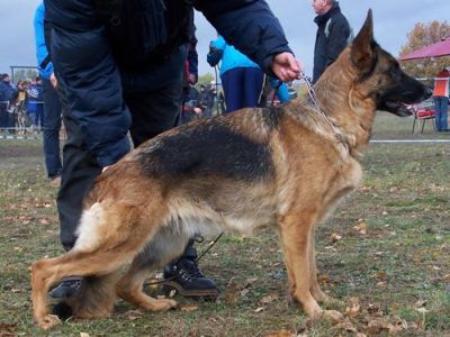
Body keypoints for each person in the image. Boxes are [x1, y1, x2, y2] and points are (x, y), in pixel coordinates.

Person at [44, 0, 301, 300]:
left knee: (173, 161)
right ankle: (80, 265)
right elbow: (86, 73)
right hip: (90, 67)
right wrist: (111, 155)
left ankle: (179, 261)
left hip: (160, 63)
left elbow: (234, 4)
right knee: (86, 151)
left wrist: (271, 47)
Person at [34, 2, 63, 183]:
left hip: (74, 69)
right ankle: (55, 172)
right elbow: (41, 44)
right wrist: (51, 70)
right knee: (52, 123)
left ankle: (82, 170)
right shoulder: (43, 10)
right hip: (51, 73)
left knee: (80, 120)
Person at [311, 0, 351, 83]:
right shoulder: (324, 23)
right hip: (321, 86)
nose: (312, 4)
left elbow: (334, 61)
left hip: (331, 88)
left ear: (324, 1)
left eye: (315, 0)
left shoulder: (338, 22)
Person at [433, 68, 449, 132]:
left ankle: (438, 128)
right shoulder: (448, 74)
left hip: (436, 94)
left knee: (437, 112)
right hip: (444, 94)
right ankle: (444, 128)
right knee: (444, 112)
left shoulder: (437, 74)